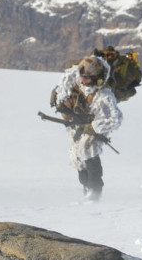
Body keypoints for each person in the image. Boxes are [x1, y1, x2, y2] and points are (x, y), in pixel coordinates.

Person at [51, 55, 123, 200]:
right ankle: (86, 187)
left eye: (88, 78)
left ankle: (95, 191)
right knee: (76, 157)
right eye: (82, 76)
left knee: (88, 151)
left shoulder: (104, 95)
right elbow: (63, 86)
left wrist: (93, 127)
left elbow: (115, 119)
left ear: (98, 78)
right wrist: (61, 100)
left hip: (93, 127)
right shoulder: (76, 78)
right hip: (76, 124)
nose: (83, 80)